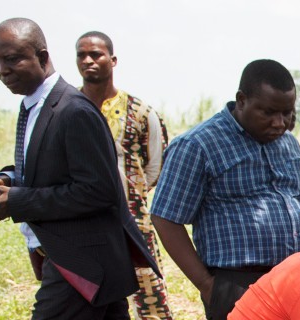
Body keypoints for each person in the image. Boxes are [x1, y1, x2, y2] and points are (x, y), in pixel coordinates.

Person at [0, 18, 157, 319]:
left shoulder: (73, 110)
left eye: (12, 59)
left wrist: (17, 201)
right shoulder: (36, 105)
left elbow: (98, 191)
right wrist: (7, 178)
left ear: (43, 57)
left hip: (81, 264)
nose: (2, 71)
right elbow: (48, 164)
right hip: (77, 262)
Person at [150, 59, 300, 320]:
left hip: (294, 279)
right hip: (237, 284)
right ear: (242, 100)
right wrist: (207, 285)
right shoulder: (198, 145)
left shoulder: (289, 143)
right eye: (269, 112)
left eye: (287, 113)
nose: (280, 123)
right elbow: (165, 217)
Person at [74, 30, 174, 319]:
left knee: (150, 297)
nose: (88, 61)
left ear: (112, 60)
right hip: (83, 224)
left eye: (96, 54)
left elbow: (155, 166)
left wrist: (130, 191)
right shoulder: (66, 109)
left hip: (133, 221)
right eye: (82, 55)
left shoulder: (140, 112)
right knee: (89, 298)